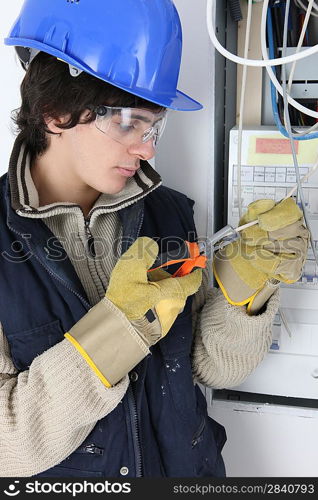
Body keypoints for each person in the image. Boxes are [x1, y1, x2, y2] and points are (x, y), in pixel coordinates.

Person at [0, 0, 308, 478]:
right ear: (54, 110)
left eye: (155, 125)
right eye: (128, 122)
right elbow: (8, 445)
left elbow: (213, 369)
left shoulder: (168, 212)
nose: (146, 149)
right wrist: (119, 329)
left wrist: (246, 292)